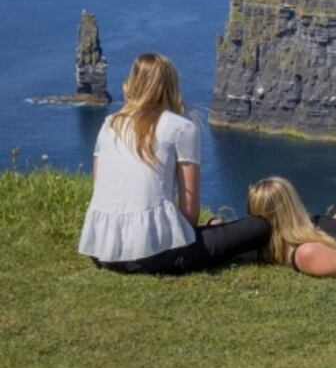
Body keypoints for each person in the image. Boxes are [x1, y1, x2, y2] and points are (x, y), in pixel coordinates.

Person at [78, 53, 270, 274]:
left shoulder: (109, 124)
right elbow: (189, 213)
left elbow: (98, 187)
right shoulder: (181, 128)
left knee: (212, 232)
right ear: (170, 86)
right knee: (259, 226)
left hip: (102, 250)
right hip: (153, 255)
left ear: (133, 82)